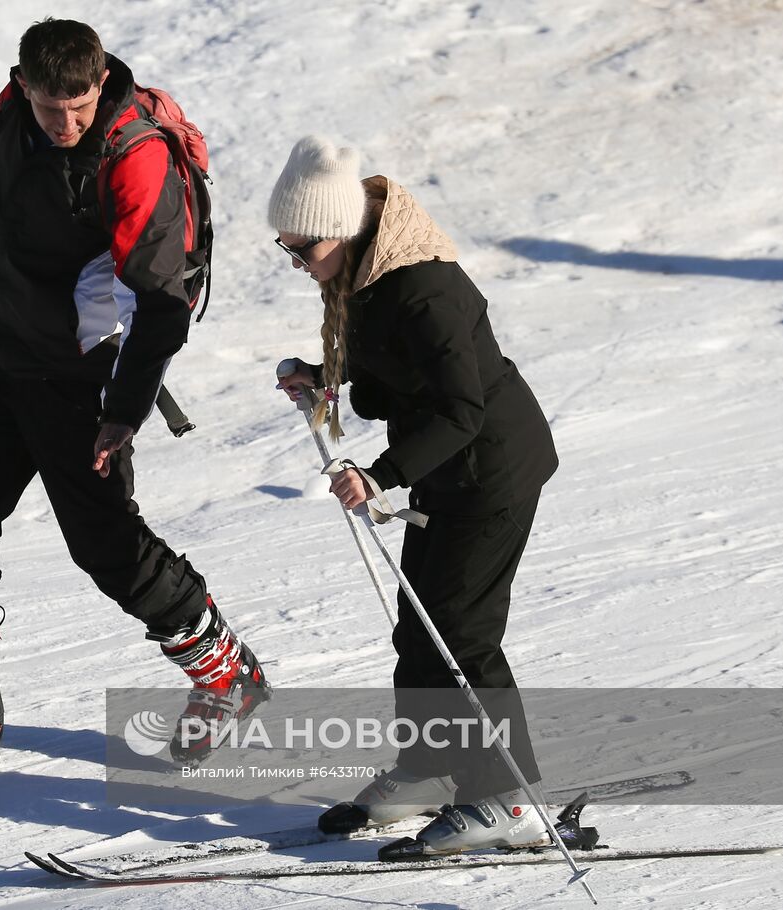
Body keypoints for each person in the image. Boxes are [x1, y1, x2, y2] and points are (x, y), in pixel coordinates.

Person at [0, 18, 268, 763]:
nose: (67, 123)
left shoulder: (133, 153)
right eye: (54, 108)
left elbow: (164, 304)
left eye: (79, 108)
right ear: (24, 85)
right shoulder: (10, 110)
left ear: (98, 84)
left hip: (82, 375)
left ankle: (226, 674)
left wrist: (123, 410)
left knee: (106, 545)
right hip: (1, 356)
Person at [267, 137, 559, 855]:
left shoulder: (421, 286)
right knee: (419, 628)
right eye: (286, 250)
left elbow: (462, 410)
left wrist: (379, 474)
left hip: (491, 471)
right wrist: (321, 378)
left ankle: (509, 800)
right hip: (447, 474)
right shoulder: (365, 278)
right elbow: (394, 382)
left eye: (300, 249)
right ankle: (431, 768)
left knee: (462, 634)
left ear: (338, 231)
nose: (298, 265)